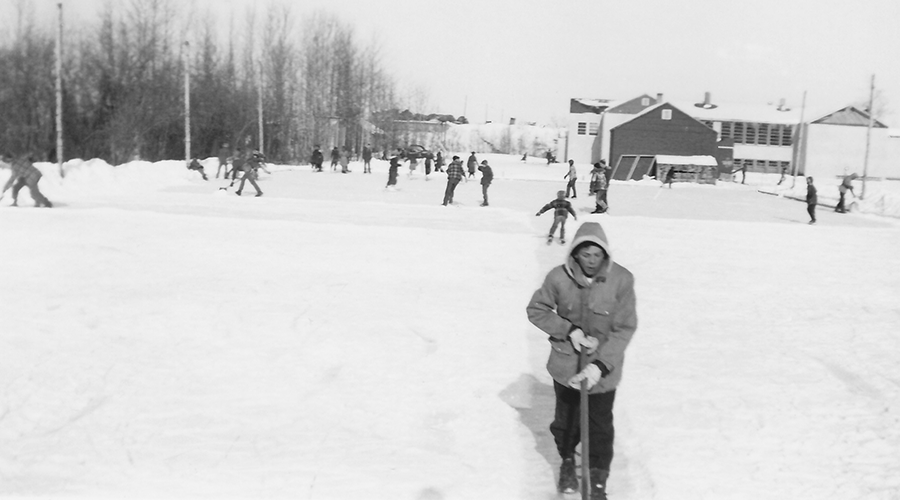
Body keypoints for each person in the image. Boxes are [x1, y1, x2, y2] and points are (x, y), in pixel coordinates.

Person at [526, 221, 637, 499]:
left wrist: (600, 365)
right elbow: (537, 309)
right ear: (575, 253)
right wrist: (569, 331)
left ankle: (597, 479)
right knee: (566, 421)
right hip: (566, 366)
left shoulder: (621, 279)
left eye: (597, 255)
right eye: (585, 254)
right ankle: (567, 462)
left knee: (599, 424)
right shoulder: (558, 278)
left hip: (603, 370)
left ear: (605, 255)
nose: (591, 261)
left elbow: (625, 327)